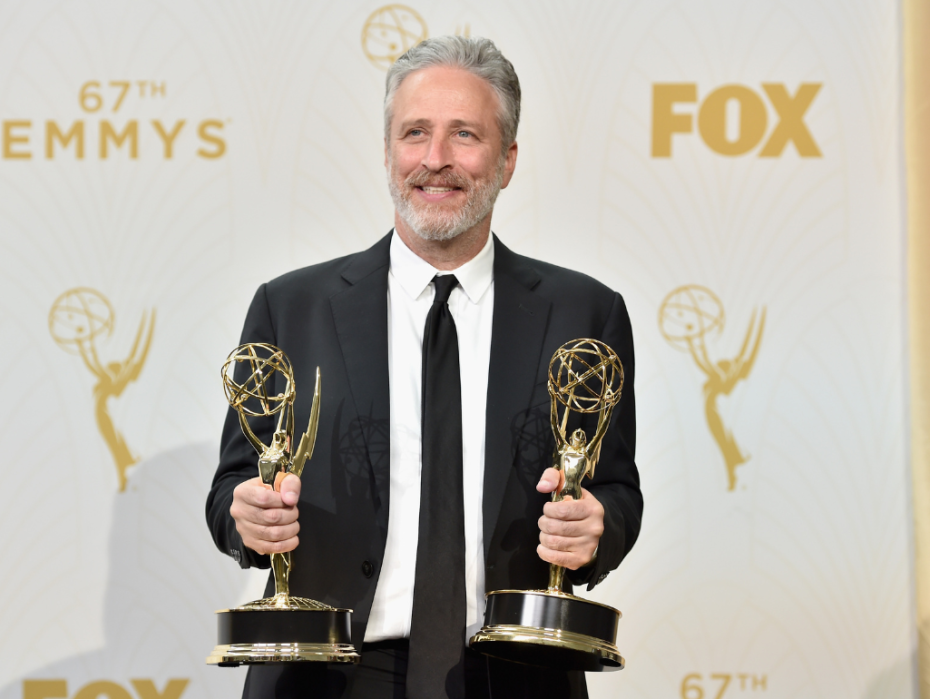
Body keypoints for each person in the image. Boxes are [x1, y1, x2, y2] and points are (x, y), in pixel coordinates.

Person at [206, 35, 642, 699]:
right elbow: (232, 484)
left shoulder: (584, 312)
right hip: (326, 679)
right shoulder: (291, 306)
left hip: (514, 677)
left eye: (464, 134)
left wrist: (596, 527)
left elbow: (616, 491)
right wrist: (245, 515)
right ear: (387, 153)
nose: (435, 160)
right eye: (415, 133)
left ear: (507, 159)